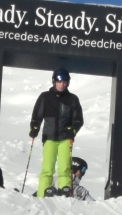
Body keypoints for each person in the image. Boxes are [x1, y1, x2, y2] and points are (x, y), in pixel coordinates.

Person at [29, 68, 83, 197]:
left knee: (65, 167)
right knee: (48, 167)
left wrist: (73, 129)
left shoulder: (72, 99)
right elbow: (37, 115)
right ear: (54, 81)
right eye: (59, 81)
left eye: (65, 82)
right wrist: (35, 127)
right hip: (50, 137)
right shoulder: (45, 97)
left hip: (66, 137)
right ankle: (43, 192)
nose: (62, 84)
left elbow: (78, 119)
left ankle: (65, 191)